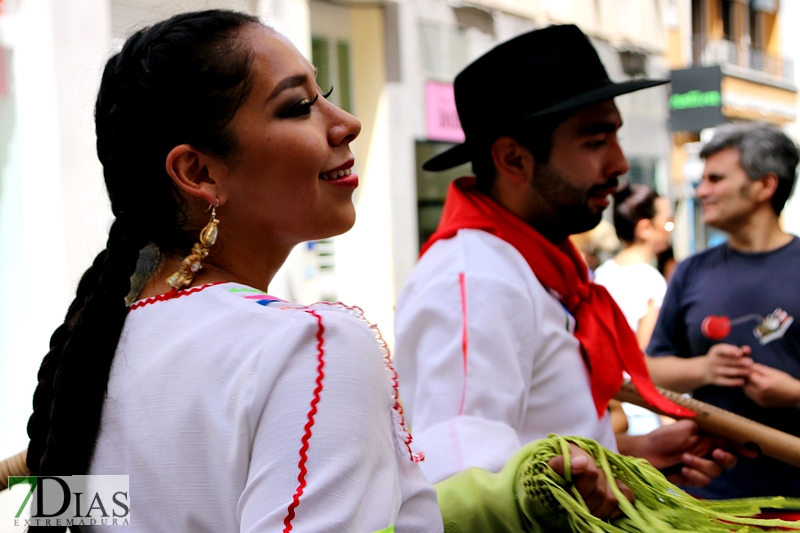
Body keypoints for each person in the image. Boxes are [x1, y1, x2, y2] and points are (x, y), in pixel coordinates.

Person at [23, 11, 633, 533]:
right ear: (200, 173)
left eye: (327, 93)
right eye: (297, 107)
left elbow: (124, 512)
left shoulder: (96, 353)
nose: (346, 123)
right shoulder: (311, 345)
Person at [394, 24, 737, 489]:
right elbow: (466, 486)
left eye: (614, 137)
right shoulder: (476, 281)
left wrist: (631, 460)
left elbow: (538, 451)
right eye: (595, 142)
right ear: (514, 160)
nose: (618, 164)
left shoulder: (541, 271)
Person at [646, 122, 800, 500]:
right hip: (708, 499)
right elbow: (649, 370)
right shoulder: (691, 271)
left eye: (715, 179)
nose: (702, 192)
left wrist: (794, 393)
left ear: (765, 185)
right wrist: (705, 368)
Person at [594, 183, 674, 435]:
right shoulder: (651, 281)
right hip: (641, 409)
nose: (670, 231)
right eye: (668, 224)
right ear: (645, 228)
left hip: (608, 404)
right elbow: (648, 357)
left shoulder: (602, 274)